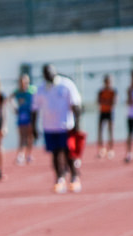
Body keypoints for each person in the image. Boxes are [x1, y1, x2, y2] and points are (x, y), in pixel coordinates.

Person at [32, 64, 82, 194]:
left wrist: (77, 125)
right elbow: (34, 109)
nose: (48, 75)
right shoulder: (41, 88)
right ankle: (59, 178)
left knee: (68, 153)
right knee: (55, 154)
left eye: (50, 72)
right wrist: (34, 127)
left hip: (66, 125)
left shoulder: (66, 85)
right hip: (50, 126)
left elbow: (76, 105)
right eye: (45, 73)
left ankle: (74, 177)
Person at [9, 73, 37, 165]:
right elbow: (9, 99)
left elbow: (38, 99)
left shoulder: (32, 90)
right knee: (22, 136)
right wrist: (14, 108)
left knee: (30, 136)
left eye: (25, 82)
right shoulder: (17, 92)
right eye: (21, 82)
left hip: (31, 115)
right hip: (22, 115)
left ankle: (28, 154)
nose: (23, 84)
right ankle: (20, 155)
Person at [96, 74, 116, 159]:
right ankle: (101, 149)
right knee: (100, 130)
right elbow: (99, 101)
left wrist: (106, 102)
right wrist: (106, 102)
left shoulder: (113, 91)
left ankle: (111, 149)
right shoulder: (101, 91)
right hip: (102, 112)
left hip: (110, 112)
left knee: (110, 130)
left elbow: (113, 102)